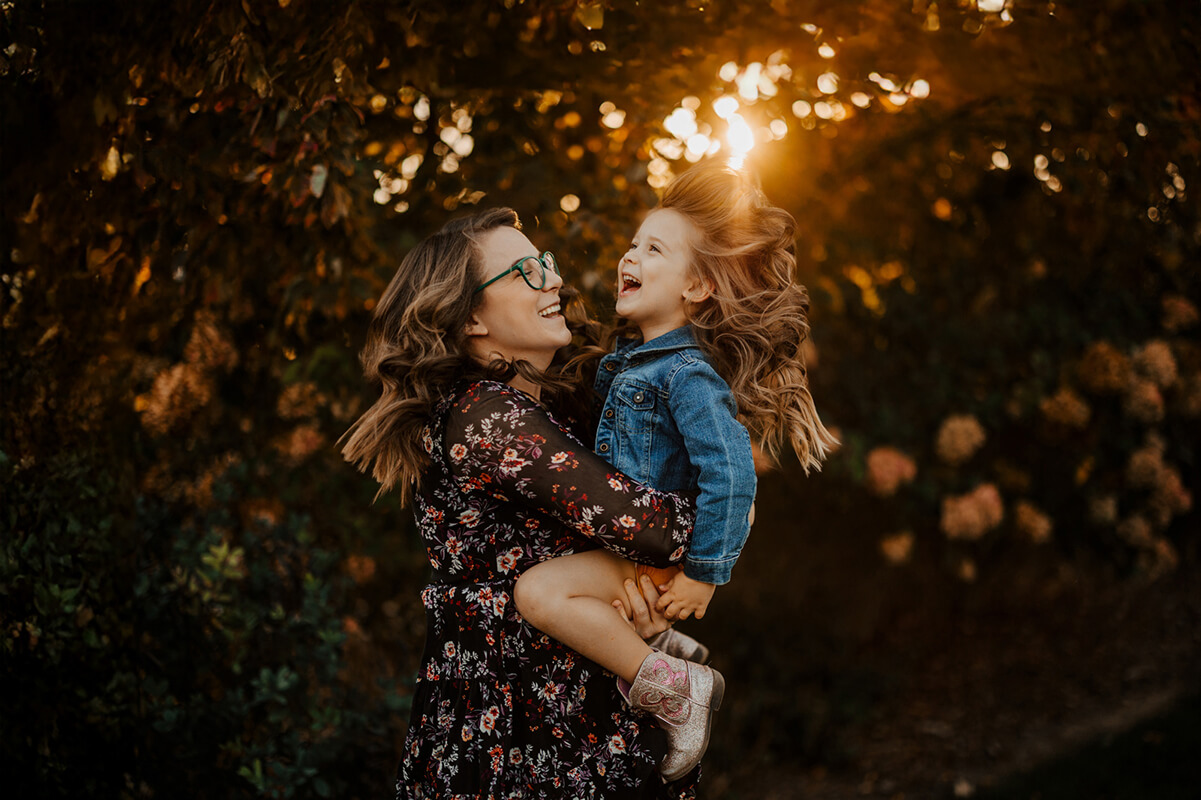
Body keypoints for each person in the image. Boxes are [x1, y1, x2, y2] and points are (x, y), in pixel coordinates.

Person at [342, 207, 709, 799]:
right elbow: (654, 528)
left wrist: (645, 597)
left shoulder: (561, 406)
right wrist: (730, 508)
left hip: (586, 710)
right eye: (522, 272)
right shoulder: (484, 417)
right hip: (516, 730)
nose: (552, 280)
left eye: (546, 263)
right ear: (469, 320)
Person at [514, 164, 838, 779]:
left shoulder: (686, 374)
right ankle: (662, 648)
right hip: (630, 546)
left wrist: (703, 576)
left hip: (654, 556)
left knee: (538, 592)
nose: (629, 256)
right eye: (633, 243)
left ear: (697, 286)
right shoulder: (630, 364)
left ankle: (676, 688)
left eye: (653, 248)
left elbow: (733, 475)